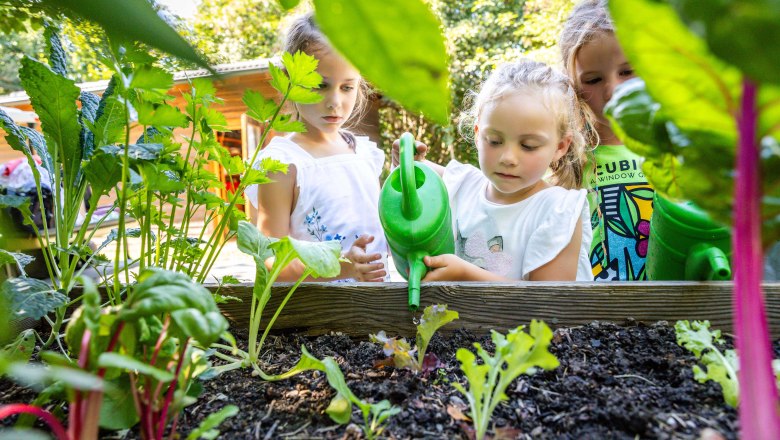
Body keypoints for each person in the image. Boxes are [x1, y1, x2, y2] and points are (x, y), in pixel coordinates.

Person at [395, 59, 593, 281]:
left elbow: (549, 303)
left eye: (528, 146)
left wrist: (466, 275)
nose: (508, 158)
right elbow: (414, 173)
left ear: (560, 147)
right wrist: (407, 159)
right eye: (495, 141)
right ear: (478, 134)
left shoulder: (557, 211)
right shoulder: (463, 185)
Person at [245, 12, 388, 282]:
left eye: (347, 87)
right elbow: (270, 264)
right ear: (289, 80)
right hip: (319, 317)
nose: (335, 102)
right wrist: (344, 266)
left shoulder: (365, 154)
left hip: (381, 310)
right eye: (320, 85)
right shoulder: (282, 163)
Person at [560, 0, 655, 281]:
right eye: (593, 79)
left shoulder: (675, 152)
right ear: (574, 88)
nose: (613, 91)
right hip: (594, 315)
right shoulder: (566, 159)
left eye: (627, 71)